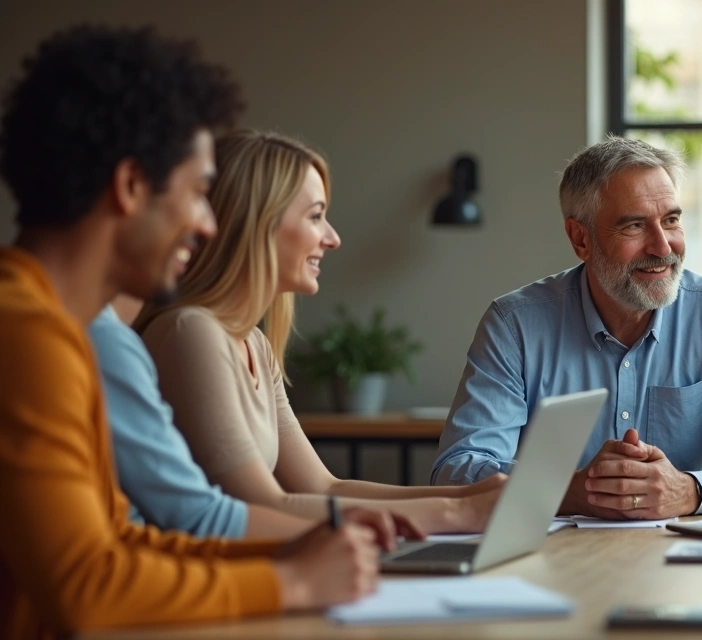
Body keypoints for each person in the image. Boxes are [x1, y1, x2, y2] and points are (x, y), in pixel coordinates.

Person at [0, 25, 420, 639]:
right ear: (131, 186)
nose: (206, 225)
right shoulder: (27, 335)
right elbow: (86, 589)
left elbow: (122, 540)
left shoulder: (60, 328)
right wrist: (293, 582)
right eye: (200, 194)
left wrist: (312, 549)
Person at [133, 129, 504, 533]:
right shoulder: (191, 332)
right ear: (257, 225)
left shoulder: (253, 343)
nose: (333, 238)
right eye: (315, 216)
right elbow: (259, 504)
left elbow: (325, 486)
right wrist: (459, 514)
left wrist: (472, 495)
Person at [431, 137, 702, 519]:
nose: (662, 246)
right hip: (555, 559)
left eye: (670, 220)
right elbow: (456, 471)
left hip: (682, 558)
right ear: (580, 239)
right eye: (635, 226)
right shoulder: (514, 325)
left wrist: (687, 491)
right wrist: (572, 491)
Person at [91, 297, 316, 538]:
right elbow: (196, 516)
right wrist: (345, 535)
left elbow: (321, 484)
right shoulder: (186, 329)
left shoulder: (257, 342)